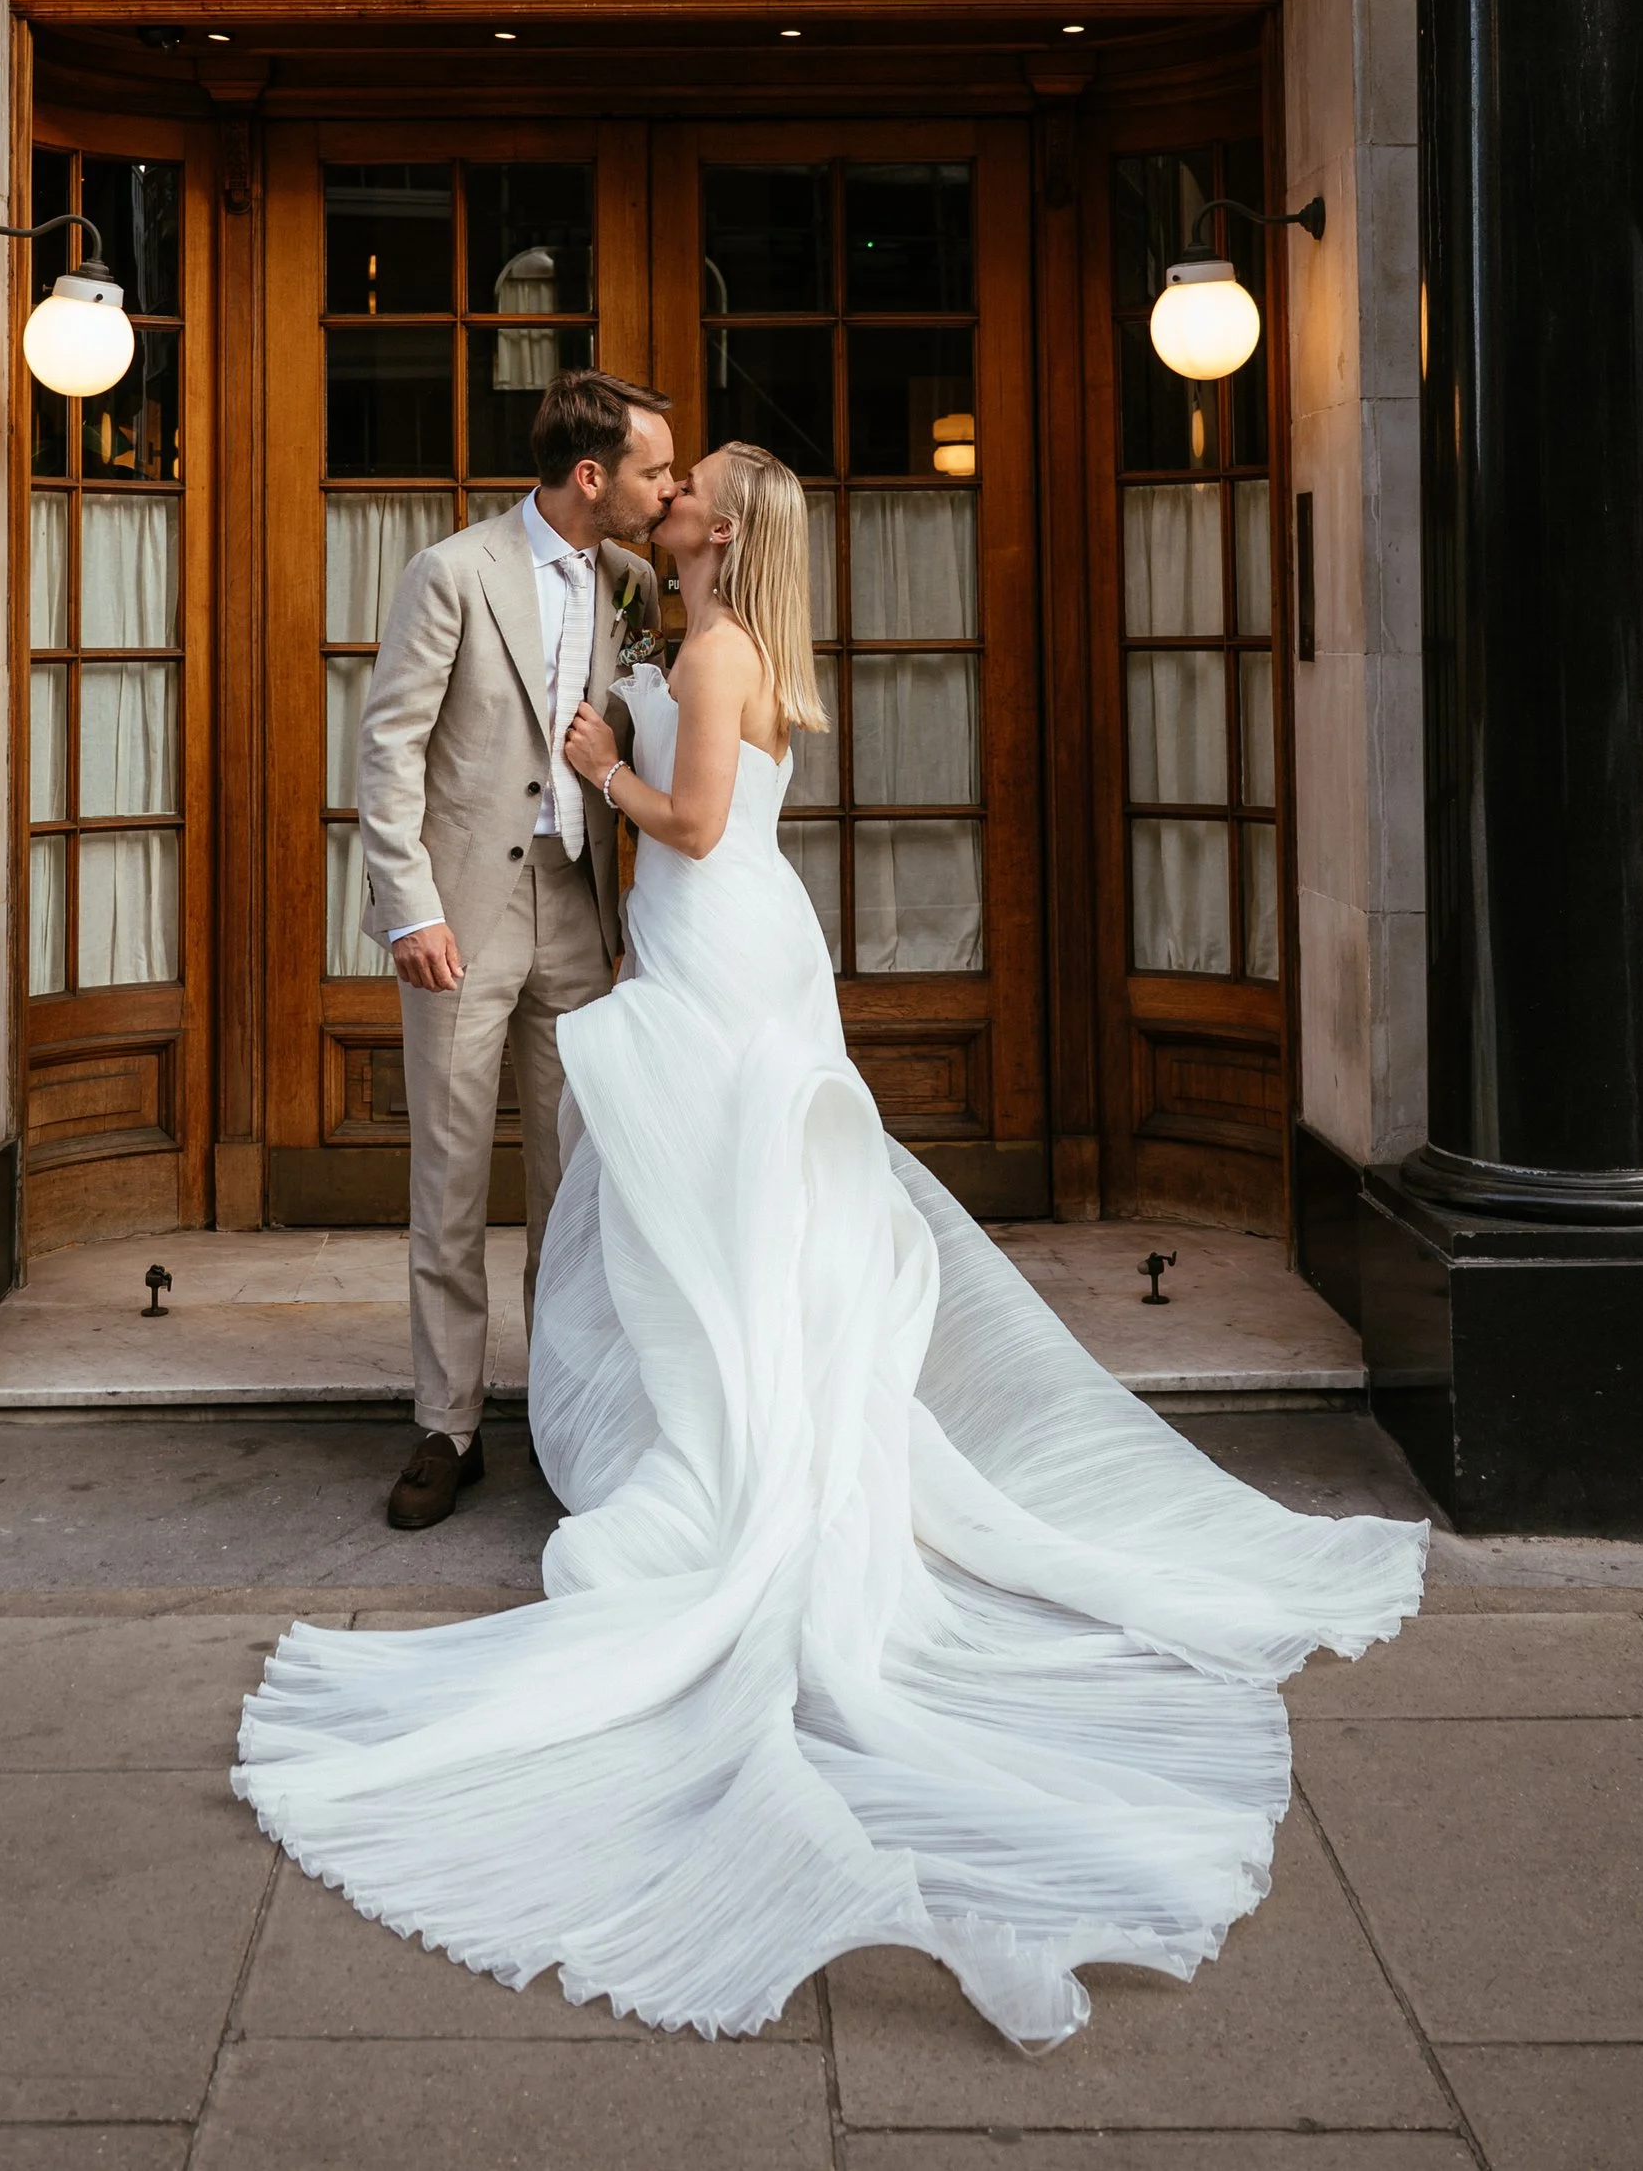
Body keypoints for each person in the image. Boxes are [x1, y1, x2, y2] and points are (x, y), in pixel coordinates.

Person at [240, 438, 1427, 2047]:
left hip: (714, 942)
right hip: (672, 944)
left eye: (691, 485)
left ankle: (738, 1461)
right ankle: (678, 1423)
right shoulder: (677, 625)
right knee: (692, 1217)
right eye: (658, 475)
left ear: (723, 527)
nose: (669, 496)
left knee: (717, 1210)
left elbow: (703, 824)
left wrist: (603, 766)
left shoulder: (714, 649)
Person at [353, 367, 674, 1532]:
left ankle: (559, 1413)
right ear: (591, 475)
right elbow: (389, 751)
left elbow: (635, 731)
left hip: (578, 911)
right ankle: (446, 1426)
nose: (665, 486)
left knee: (570, 1191)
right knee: (445, 1181)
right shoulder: (453, 572)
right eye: (652, 468)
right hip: (460, 914)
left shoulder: (633, 583)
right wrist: (410, 908)